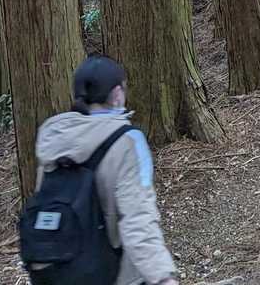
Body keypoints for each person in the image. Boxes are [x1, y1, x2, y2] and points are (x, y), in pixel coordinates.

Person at [32, 57, 178, 285]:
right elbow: (138, 217)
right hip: (112, 273)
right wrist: (162, 277)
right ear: (117, 93)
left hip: (57, 266)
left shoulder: (55, 137)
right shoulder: (127, 141)